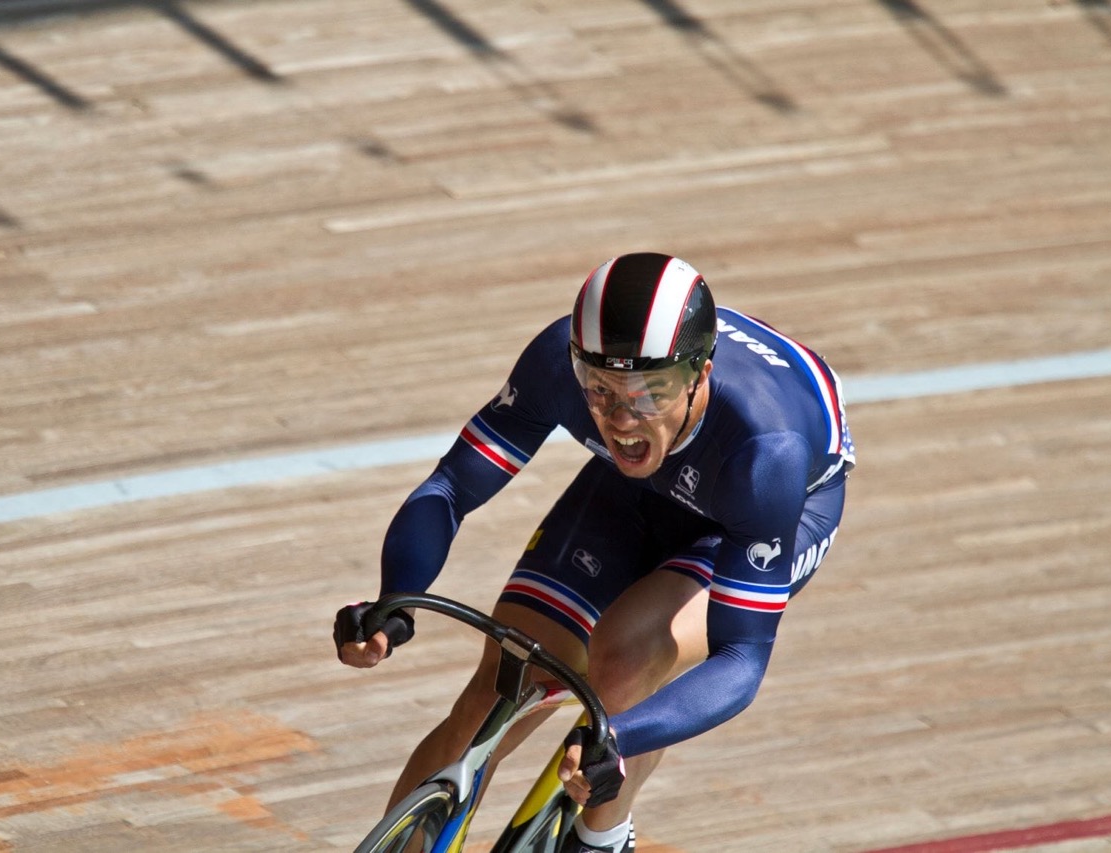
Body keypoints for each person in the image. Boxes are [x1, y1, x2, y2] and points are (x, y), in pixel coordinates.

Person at [334, 252, 856, 853]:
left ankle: (602, 836)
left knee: (628, 657)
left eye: (648, 394)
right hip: (648, 483)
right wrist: (394, 599)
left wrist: (621, 737)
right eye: (600, 392)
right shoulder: (557, 366)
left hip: (774, 503)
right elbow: (452, 487)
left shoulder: (767, 456)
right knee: (501, 686)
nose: (621, 419)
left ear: (700, 375)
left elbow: (742, 658)